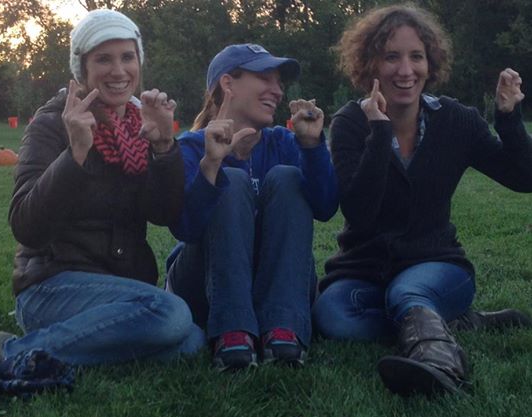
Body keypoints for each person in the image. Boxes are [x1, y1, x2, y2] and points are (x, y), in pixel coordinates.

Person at [312, 4, 532, 396]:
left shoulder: (456, 120)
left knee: (406, 293)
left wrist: (509, 118)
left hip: (438, 265)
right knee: (333, 317)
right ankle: (450, 321)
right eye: (391, 57)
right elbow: (360, 215)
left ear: (430, 64)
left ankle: (441, 364)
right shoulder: (350, 123)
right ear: (370, 64)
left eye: (416, 56)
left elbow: (522, 177)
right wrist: (379, 133)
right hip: (366, 269)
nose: (405, 70)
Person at [0, 9, 205, 386]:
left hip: (119, 288)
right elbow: (27, 227)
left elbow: (163, 213)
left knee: (190, 342)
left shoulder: (139, 123)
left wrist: (165, 147)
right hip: (52, 286)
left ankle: (69, 349)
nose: (118, 70)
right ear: (81, 67)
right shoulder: (52, 124)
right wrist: (76, 154)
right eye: (103, 59)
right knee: (172, 316)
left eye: (127, 57)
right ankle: (5, 353)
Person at [165, 44, 338, 371]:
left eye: (279, 83)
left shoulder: (283, 143)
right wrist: (211, 166)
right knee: (230, 180)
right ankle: (232, 332)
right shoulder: (191, 146)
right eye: (265, 78)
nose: (278, 90)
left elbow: (326, 207)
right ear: (228, 83)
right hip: (205, 286)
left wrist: (312, 147)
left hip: (275, 283)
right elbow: (185, 229)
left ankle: (283, 328)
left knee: (287, 177)